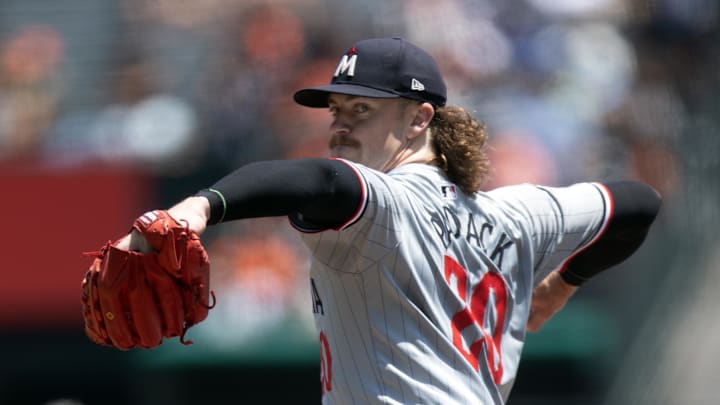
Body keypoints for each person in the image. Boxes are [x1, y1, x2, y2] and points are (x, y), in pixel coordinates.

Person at [119, 37, 661, 404]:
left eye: (362, 111)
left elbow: (321, 181)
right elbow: (637, 204)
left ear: (420, 117)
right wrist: (563, 285)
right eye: (335, 110)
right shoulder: (515, 211)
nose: (339, 126)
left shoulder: (386, 202)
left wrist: (199, 207)